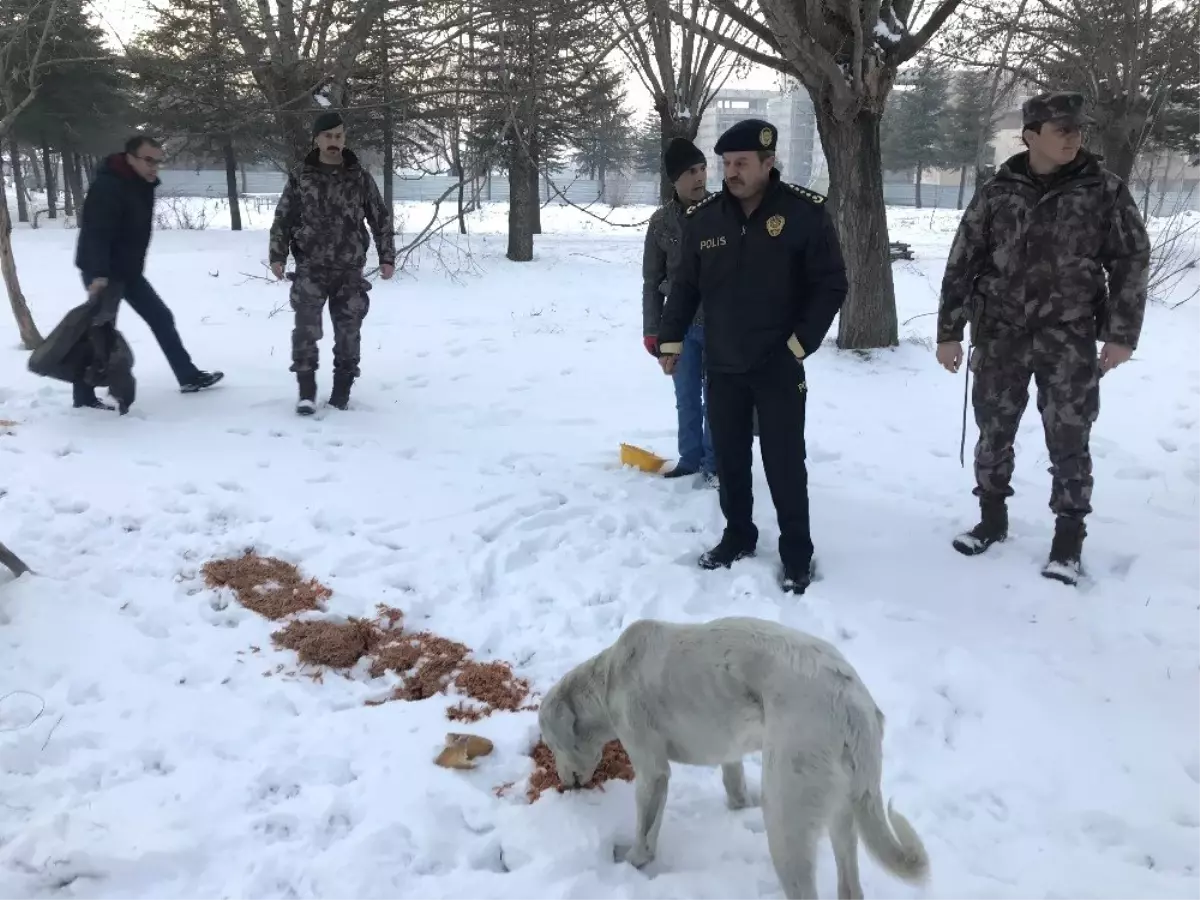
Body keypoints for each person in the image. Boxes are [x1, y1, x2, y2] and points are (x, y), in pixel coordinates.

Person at [935, 91, 1150, 585]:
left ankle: (1068, 540)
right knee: (993, 431)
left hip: (1068, 337)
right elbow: (962, 260)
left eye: (1077, 130)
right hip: (1000, 335)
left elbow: (1131, 261)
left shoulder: (1104, 189)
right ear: (1031, 136)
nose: (1074, 138)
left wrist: (1121, 335)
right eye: (1062, 131)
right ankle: (991, 520)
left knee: (1070, 438)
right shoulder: (998, 190)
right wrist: (950, 331)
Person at [656, 118, 848, 594]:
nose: (731, 172)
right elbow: (684, 287)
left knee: (784, 462)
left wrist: (800, 344)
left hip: (778, 365)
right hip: (722, 364)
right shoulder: (707, 220)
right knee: (732, 459)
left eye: (741, 163)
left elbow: (831, 285)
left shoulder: (804, 216)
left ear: (769, 163)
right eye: (726, 163)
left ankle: (796, 552)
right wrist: (670, 338)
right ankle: (738, 534)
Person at [73, 134, 223, 409]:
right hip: (103, 272)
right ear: (130, 157)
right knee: (100, 332)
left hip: (127, 271)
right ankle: (82, 397)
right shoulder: (108, 186)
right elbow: (95, 232)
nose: (154, 166)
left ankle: (187, 376)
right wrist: (97, 274)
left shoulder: (141, 184)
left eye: (158, 161)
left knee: (161, 318)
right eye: (148, 160)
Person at [269, 111, 396, 415]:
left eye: (339, 136)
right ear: (317, 139)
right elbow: (283, 217)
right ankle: (306, 391)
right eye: (328, 136)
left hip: (348, 270)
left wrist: (387, 255)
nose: (333, 142)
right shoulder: (301, 176)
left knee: (348, 332)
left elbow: (380, 217)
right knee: (305, 331)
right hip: (310, 268)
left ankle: (342, 391)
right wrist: (277, 254)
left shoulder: (359, 176)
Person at [641, 137, 716, 486]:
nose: (699, 177)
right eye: (690, 171)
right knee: (686, 397)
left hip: (720, 324)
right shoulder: (660, 223)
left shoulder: (723, 213)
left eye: (702, 169)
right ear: (675, 179)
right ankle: (690, 459)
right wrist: (653, 330)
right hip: (679, 328)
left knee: (717, 399)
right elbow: (652, 281)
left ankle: (716, 464)